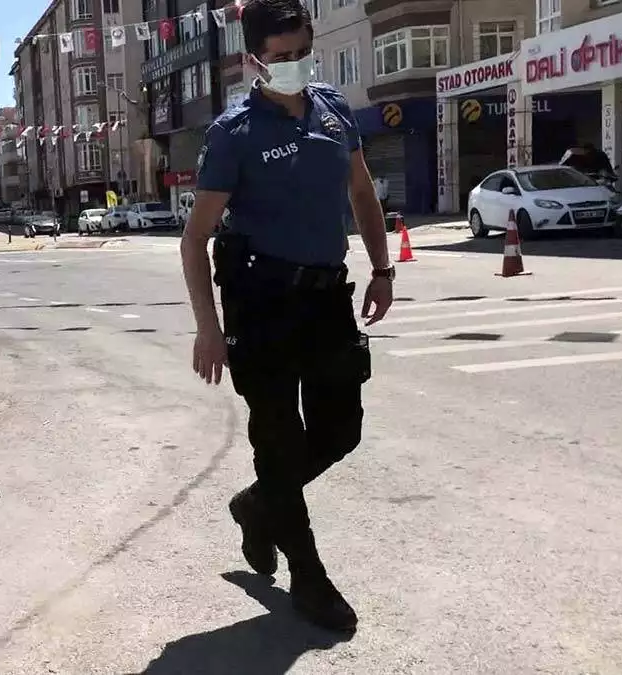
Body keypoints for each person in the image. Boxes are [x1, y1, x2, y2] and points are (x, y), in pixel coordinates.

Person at [179, 0, 393, 632]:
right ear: (253, 61)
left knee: (340, 431)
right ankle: (308, 577)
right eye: (281, 57)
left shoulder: (333, 110)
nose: (295, 65)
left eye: (303, 51)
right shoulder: (233, 133)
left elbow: (361, 194)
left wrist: (382, 270)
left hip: (327, 297)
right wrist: (209, 328)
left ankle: (256, 506)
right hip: (262, 302)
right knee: (275, 441)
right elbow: (195, 239)